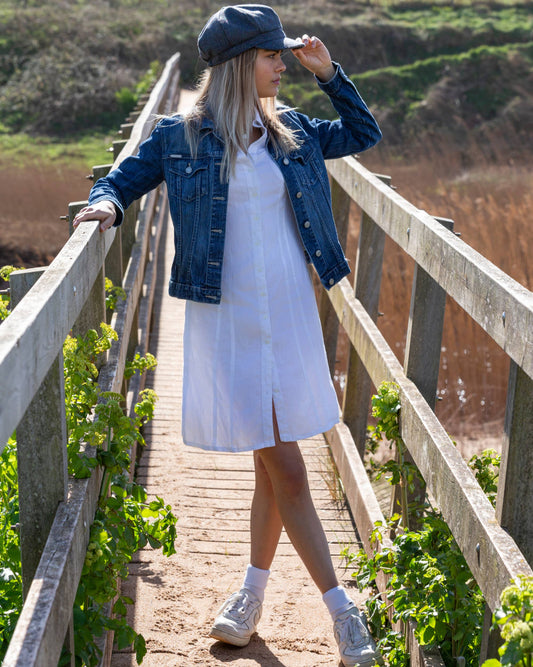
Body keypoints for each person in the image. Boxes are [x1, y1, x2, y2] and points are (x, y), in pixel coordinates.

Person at [73, 5, 383, 666]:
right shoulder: (178, 136)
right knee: (288, 466)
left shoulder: (291, 129)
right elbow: (119, 180)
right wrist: (104, 203)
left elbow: (363, 131)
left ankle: (249, 592)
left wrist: (330, 74)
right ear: (244, 62)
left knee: (271, 464)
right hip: (228, 318)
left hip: (290, 312)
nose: (282, 65)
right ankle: (341, 608)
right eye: (274, 56)